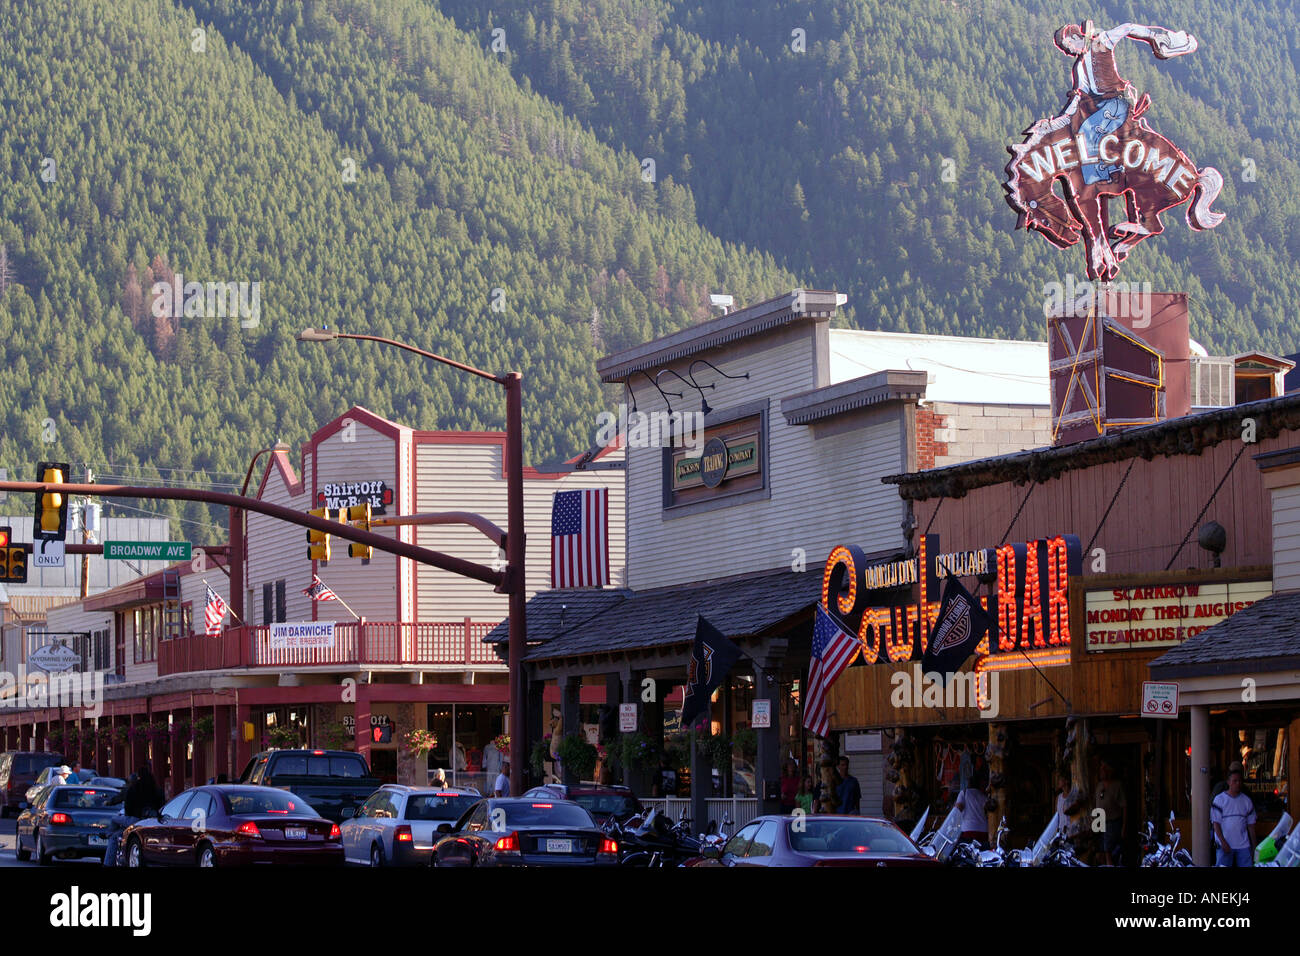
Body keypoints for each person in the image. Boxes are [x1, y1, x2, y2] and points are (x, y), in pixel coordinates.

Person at [1211, 763, 1256, 868]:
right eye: (1235, 781)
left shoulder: (1247, 801)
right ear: (1228, 782)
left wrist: (1254, 847)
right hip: (1224, 846)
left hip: (1243, 846)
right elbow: (1216, 824)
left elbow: (1251, 826)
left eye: (1240, 781)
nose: (1238, 783)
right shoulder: (1219, 799)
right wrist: (1223, 842)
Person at [1094, 760, 1127, 866]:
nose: (1102, 770)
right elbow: (1097, 803)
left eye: (1105, 768)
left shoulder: (1117, 785)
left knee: (1109, 851)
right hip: (1099, 821)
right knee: (1100, 852)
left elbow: (1124, 806)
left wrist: (1123, 827)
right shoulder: (1099, 785)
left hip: (1112, 822)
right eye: (1101, 768)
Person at [956, 766, 989, 849]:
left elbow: (957, 810)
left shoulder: (964, 793)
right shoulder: (984, 797)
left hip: (968, 830)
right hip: (984, 831)